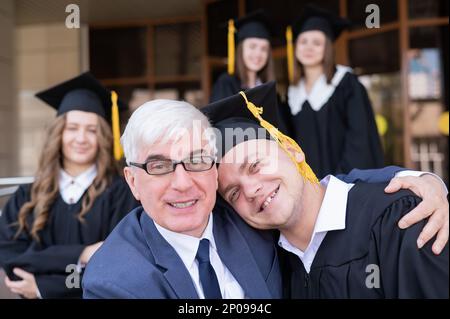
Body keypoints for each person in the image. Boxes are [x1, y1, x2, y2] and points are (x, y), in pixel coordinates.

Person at [204, 82, 449, 298]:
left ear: (292, 151)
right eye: (233, 193)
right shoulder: (276, 267)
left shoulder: (399, 220)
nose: (250, 189)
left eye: (255, 165)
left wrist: (428, 180)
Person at [82, 99, 283, 299]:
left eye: (196, 160)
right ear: (133, 182)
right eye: (159, 166)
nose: (183, 183)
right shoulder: (112, 283)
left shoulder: (257, 222)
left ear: (214, 171)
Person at [0, 72, 138, 298]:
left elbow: (121, 268)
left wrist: (43, 286)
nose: (81, 138)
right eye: (72, 128)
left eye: (92, 130)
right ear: (58, 134)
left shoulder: (121, 194)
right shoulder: (27, 196)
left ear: (103, 137)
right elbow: (12, 260)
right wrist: (83, 254)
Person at [284, 5, 384, 178]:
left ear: (327, 48)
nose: (309, 48)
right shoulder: (292, 94)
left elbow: (359, 141)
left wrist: (340, 183)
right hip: (306, 186)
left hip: (343, 183)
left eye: (317, 42)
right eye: (303, 41)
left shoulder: (346, 84)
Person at [210, 10, 275, 102]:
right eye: (252, 46)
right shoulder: (226, 84)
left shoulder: (269, 89)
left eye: (264, 49)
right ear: (241, 50)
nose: (258, 53)